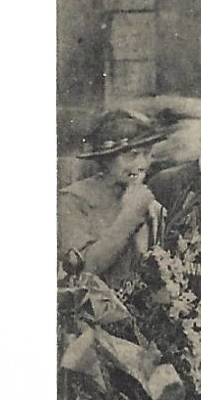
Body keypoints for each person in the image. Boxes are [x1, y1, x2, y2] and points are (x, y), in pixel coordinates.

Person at [60, 109, 171, 286]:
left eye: (147, 154)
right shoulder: (74, 200)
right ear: (106, 159)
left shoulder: (148, 200)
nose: (142, 164)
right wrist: (130, 216)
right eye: (132, 155)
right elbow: (83, 272)